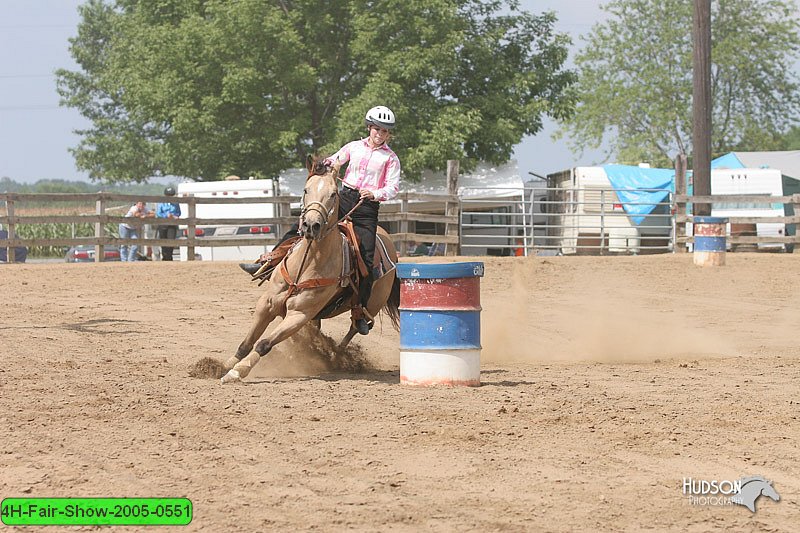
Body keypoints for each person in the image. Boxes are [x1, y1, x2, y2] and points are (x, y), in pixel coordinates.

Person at [240, 105, 401, 336]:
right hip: (344, 197)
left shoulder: (391, 159)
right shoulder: (354, 147)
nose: (380, 134)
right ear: (369, 128)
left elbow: (392, 187)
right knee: (305, 224)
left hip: (366, 208)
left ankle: (359, 310)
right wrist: (326, 166)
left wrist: (375, 194)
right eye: (377, 129)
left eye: (385, 131)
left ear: (388, 134)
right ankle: (268, 261)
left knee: (366, 260)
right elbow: (335, 159)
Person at [155, 187, 181, 261]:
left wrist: (175, 216)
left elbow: (178, 212)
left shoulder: (176, 203)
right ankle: (165, 257)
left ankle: (170, 257)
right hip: (163, 223)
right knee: (163, 240)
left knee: (171, 240)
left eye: (172, 195)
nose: (171, 197)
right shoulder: (161, 203)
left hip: (172, 223)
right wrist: (166, 215)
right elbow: (159, 213)